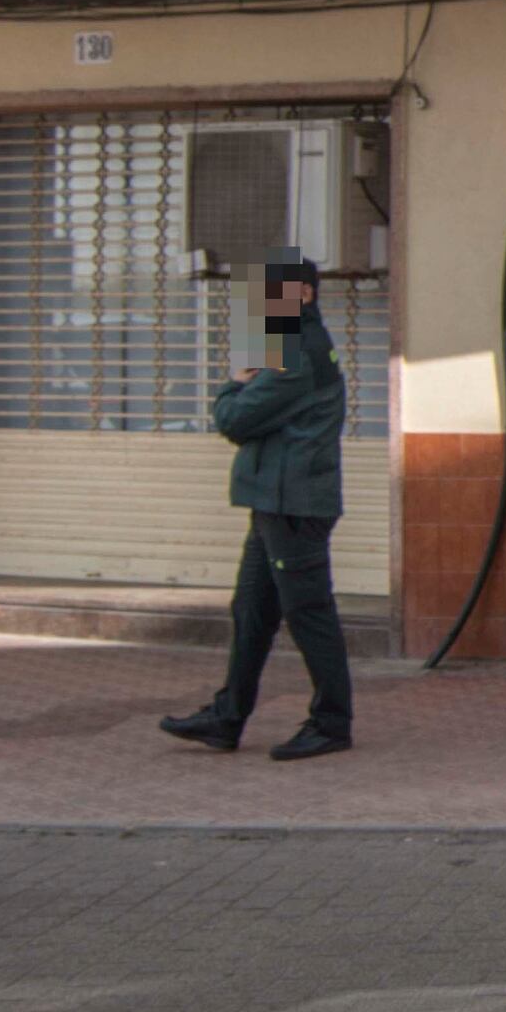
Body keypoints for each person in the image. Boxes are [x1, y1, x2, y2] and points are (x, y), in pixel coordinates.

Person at [161, 249, 354, 761]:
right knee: (252, 610)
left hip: (293, 504)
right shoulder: (288, 341)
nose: (259, 304)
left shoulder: (292, 351)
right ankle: (227, 717)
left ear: (304, 295)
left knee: (308, 612)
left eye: (270, 293)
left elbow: (234, 419)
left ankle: (332, 722)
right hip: (275, 501)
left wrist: (233, 384)